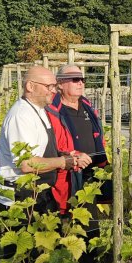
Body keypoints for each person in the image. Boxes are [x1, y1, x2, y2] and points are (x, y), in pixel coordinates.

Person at [0, 65, 91, 215]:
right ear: (30, 86)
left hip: (38, 191)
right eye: (49, 86)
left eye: (55, 86)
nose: (54, 90)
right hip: (21, 197)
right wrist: (64, 162)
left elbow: (42, 148)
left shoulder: (39, 110)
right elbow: (26, 164)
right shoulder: (21, 116)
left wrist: (67, 154)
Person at [46, 65, 112, 206]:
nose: (81, 83)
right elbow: (52, 145)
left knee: (89, 221)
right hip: (69, 176)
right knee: (67, 219)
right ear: (60, 84)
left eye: (82, 79)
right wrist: (73, 156)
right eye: (75, 79)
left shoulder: (87, 105)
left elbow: (97, 134)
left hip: (92, 174)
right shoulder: (52, 111)